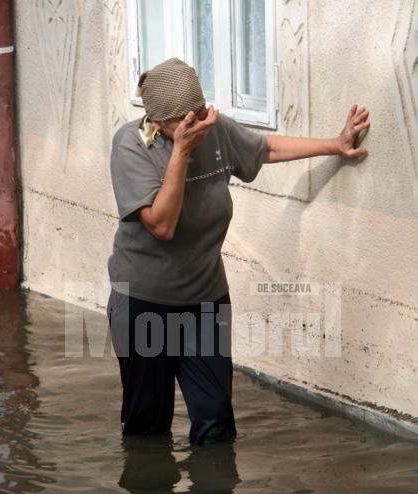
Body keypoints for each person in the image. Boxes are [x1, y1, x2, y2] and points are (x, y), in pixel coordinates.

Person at [106, 57, 370, 446]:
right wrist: (181, 152)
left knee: (216, 424)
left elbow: (264, 149)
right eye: (187, 120)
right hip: (145, 303)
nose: (200, 123)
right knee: (148, 427)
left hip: (204, 301)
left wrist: (335, 143)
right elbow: (161, 225)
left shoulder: (213, 128)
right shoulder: (131, 145)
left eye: (201, 112)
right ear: (159, 123)